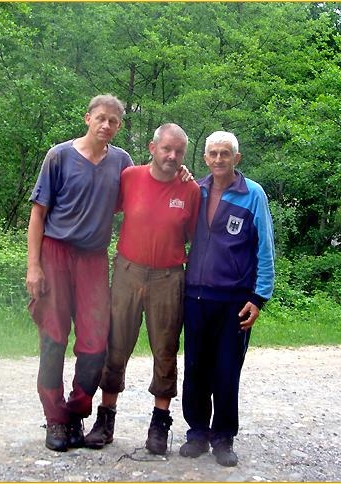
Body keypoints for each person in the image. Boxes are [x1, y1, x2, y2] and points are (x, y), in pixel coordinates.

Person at [84, 123, 201, 455]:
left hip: (168, 277)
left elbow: (196, 237)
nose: (173, 156)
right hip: (128, 270)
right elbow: (103, 207)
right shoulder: (130, 177)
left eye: (179, 151)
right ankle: (105, 420)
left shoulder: (190, 190)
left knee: (165, 348)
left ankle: (159, 424)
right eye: (166, 149)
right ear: (152, 148)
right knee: (116, 343)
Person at [25, 94, 133, 452]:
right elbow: (38, 213)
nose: (106, 126)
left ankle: (76, 410)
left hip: (93, 257)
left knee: (94, 340)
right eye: (100, 118)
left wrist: (180, 173)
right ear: (88, 118)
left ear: (118, 126)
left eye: (113, 121)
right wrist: (34, 266)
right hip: (55, 253)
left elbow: (146, 188)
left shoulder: (121, 162)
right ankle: (55, 419)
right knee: (53, 337)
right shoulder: (59, 155)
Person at [179, 130, 275, 467]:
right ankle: (197, 433)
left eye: (225, 153)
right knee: (195, 368)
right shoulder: (198, 191)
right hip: (195, 296)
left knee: (226, 370)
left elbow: (265, 248)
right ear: (205, 158)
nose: (219, 159)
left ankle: (223, 437)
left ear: (237, 158)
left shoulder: (253, 194)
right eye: (213, 153)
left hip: (234, 300)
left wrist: (259, 297)